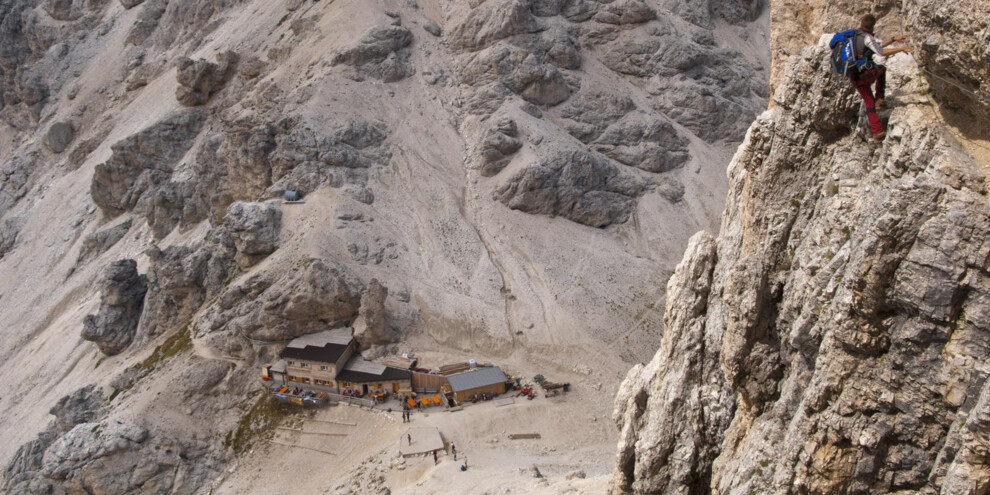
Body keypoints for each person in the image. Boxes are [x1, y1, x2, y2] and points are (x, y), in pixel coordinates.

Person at [847, 14, 912, 142]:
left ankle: (877, 133)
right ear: (872, 26)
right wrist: (901, 49)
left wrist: (893, 39)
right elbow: (880, 51)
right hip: (864, 75)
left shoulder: (855, 35)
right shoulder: (867, 37)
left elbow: (877, 45)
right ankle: (879, 99)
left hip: (853, 76)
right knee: (881, 69)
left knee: (868, 101)